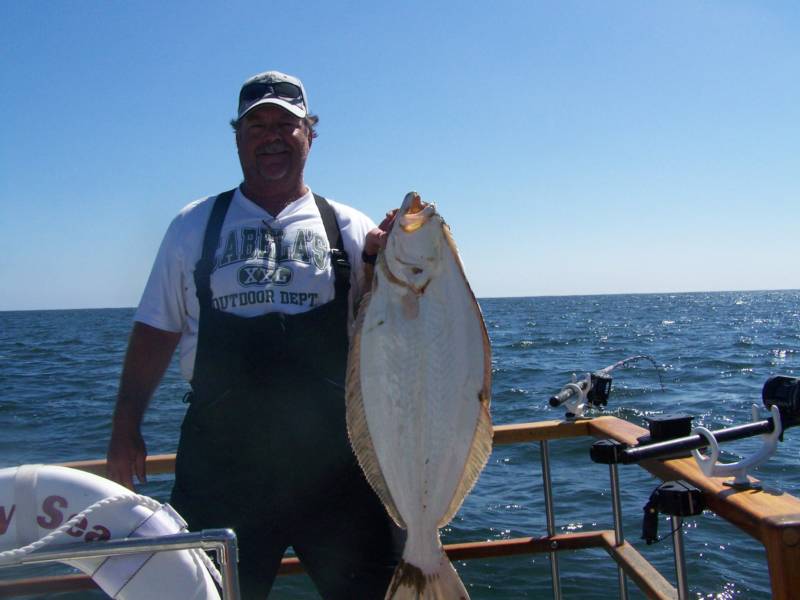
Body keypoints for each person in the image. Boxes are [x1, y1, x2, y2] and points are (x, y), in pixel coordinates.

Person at [107, 70, 402, 599]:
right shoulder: (193, 225)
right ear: (237, 137)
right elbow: (157, 328)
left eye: (285, 125)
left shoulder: (352, 229)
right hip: (222, 469)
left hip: (338, 466)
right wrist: (125, 425)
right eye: (256, 124)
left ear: (310, 134)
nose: (271, 135)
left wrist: (392, 262)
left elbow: (391, 333)